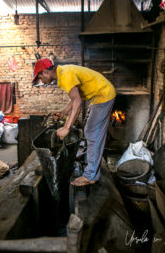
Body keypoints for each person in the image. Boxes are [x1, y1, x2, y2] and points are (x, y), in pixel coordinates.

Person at [33, 58, 116, 186]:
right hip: (97, 96)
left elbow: (78, 102)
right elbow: (74, 97)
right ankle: (89, 161)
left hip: (103, 95)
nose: (41, 81)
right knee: (89, 130)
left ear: (45, 72)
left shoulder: (65, 75)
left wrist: (67, 127)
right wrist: (63, 112)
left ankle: (91, 175)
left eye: (40, 77)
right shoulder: (63, 73)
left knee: (93, 133)